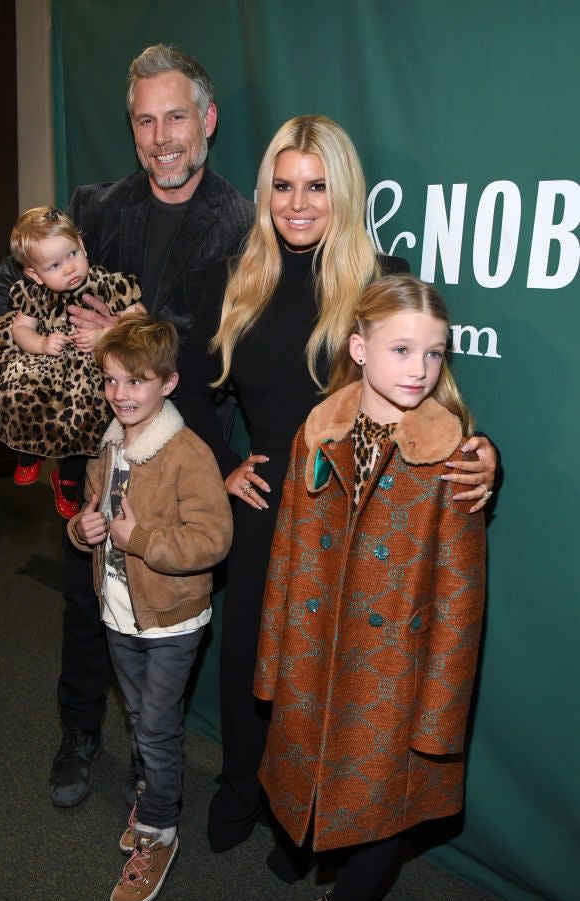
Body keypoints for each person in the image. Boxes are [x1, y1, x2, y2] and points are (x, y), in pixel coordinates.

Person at [176, 115, 496, 860]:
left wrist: (484, 454)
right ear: (264, 193)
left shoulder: (381, 280)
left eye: (317, 186)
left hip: (357, 509)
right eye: (283, 186)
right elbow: (186, 390)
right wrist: (224, 464)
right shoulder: (233, 279)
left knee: (322, 671)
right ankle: (239, 787)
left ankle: (303, 822)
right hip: (265, 502)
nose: (298, 202)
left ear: (344, 193)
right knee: (248, 654)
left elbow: (429, 390)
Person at [0, 45, 254, 808]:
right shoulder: (91, 209)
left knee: (163, 614)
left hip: (179, 456)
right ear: (131, 129)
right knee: (84, 603)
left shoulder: (243, 223)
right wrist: (43, 328)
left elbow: (229, 354)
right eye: (145, 120)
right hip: (89, 456)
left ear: (208, 119)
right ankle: (80, 732)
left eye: (175, 116)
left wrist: (135, 337)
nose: (162, 136)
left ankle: (152, 753)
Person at [254, 274, 486, 901]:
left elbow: (459, 600)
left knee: (381, 806)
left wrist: (439, 715)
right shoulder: (319, 431)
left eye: (435, 354)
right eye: (401, 350)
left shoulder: (455, 456)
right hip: (316, 657)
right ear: (359, 348)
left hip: (396, 677)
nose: (419, 370)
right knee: (332, 786)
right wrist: (273, 662)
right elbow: (288, 551)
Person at [67, 313, 232, 901]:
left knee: (158, 728)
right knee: (139, 718)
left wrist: (139, 540)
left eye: (135, 381)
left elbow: (213, 541)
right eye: (111, 381)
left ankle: (160, 830)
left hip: (171, 621)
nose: (121, 394)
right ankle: (151, 793)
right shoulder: (109, 444)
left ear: (168, 382)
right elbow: (94, 517)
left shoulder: (188, 454)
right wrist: (81, 530)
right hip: (117, 613)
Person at [0, 207, 141, 518]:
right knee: (22, 388)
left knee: (85, 422)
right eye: (54, 265)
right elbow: (20, 329)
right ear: (34, 274)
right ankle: (28, 451)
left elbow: (140, 321)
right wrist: (41, 343)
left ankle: (67, 478)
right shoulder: (35, 293)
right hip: (50, 368)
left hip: (90, 378)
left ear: (82, 244)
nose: (69, 269)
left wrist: (106, 332)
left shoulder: (106, 283)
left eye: (73, 254)